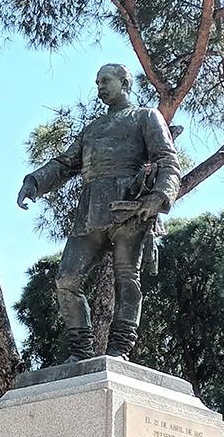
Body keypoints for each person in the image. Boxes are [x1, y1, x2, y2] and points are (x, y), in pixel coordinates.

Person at [17, 63, 180, 363]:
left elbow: (168, 160)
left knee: (127, 279)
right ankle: (80, 351)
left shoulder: (146, 116)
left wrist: (158, 197)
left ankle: (120, 348)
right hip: (90, 209)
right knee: (66, 278)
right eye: (97, 82)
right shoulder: (92, 129)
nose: (100, 87)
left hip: (129, 208)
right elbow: (66, 164)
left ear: (124, 83)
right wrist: (34, 181)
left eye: (105, 80)